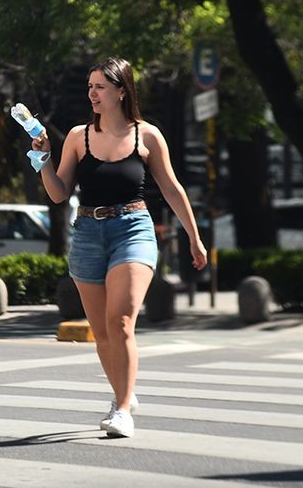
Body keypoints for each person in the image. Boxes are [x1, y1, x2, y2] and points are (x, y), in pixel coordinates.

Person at [33, 57, 207, 439]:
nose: (92, 93)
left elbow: (172, 188)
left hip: (134, 229)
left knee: (121, 321)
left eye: (100, 87)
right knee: (102, 330)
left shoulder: (147, 135)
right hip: (88, 234)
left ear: (121, 91)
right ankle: (123, 392)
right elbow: (59, 193)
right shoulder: (79, 137)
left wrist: (194, 237)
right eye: (90, 86)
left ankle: (123, 408)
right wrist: (42, 159)